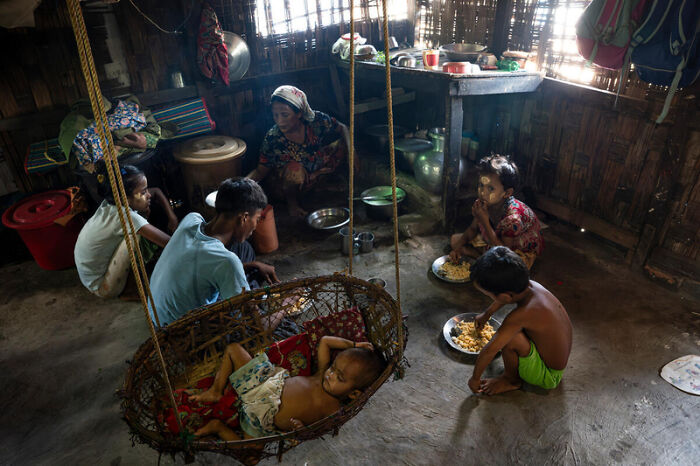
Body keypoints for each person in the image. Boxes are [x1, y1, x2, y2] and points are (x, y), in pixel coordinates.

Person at [190, 335, 384, 440]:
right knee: (233, 349)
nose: (330, 374)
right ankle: (216, 390)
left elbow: (316, 431)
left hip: (261, 416)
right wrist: (354, 343)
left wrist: (301, 430)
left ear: (354, 393)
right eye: (333, 368)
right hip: (264, 382)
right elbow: (325, 341)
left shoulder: (333, 411)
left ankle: (218, 428)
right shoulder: (321, 373)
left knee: (250, 455)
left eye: (339, 377)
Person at [148, 178, 275, 326]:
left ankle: (245, 291)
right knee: (276, 327)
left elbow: (202, 264)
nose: (255, 226)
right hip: (180, 330)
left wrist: (251, 265)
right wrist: (288, 302)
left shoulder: (191, 220)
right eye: (257, 219)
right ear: (244, 218)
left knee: (244, 249)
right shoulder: (226, 261)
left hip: (155, 315)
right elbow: (261, 327)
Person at [467, 246, 572, 395]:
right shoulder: (531, 286)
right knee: (513, 331)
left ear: (504, 295)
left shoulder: (521, 315)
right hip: (557, 359)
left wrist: (475, 379)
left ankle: (511, 380)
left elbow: (489, 350)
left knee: (511, 338)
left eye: (489, 295)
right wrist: (487, 314)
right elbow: (505, 298)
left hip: (548, 376)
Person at [246, 85, 352, 217]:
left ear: (299, 113)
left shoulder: (316, 121)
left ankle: (319, 185)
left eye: (285, 115)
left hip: (313, 172)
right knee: (294, 168)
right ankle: (294, 203)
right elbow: (260, 171)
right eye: (275, 115)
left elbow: (343, 128)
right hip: (286, 187)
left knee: (343, 145)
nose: (279, 121)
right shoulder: (273, 139)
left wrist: (353, 155)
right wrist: (242, 184)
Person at [74, 164, 178, 298]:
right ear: (125, 198)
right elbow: (170, 243)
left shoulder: (110, 203)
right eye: (143, 192)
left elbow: (156, 191)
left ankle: (135, 276)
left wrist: (172, 217)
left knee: (139, 230)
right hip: (102, 285)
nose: (148, 195)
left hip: (89, 278)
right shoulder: (126, 217)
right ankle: (130, 289)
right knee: (136, 236)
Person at [450, 155, 543, 269]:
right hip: (497, 239)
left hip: (517, 250)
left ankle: (479, 257)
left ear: (507, 193)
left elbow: (504, 255)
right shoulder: (486, 203)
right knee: (455, 240)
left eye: (490, 189)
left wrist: (485, 222)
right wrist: (456, 249)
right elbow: (472, 229)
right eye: (481, 185)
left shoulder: (512, 219)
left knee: (503, 268)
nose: (483, 193)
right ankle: (482, 257)